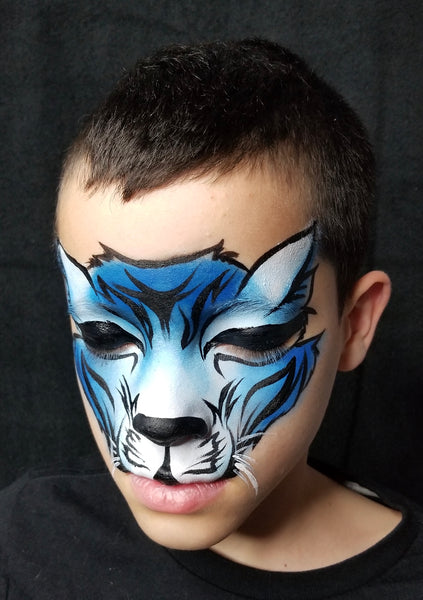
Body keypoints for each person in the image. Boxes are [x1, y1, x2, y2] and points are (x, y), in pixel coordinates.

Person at [1, 38, 422, 599]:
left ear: (357, 324)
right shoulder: (24, 541)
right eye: (104, 334)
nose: (162, 415)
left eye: (249, 337)